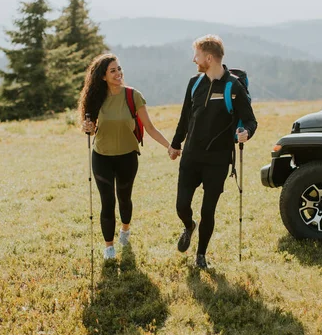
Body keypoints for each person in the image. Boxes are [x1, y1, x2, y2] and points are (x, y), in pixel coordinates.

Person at [168, 34, 258, 268]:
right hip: (191, 156)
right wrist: (176, 144)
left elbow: (250, 120)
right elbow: (185, 118)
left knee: (208, 210)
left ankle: (201, 256)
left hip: (218, 160)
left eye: (196, 55)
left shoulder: (233, 87)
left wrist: (246, 133)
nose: (193, 59)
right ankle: (189, 226)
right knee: (181, 206)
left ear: (209, 58)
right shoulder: (194, 83)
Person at [80, 53, 171, 259]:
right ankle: (109, 247)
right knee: (107, 201)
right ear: (103, 76)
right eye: (112, 70)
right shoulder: (95, 98)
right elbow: (91, 129)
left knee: (124, 198)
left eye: (119, 69)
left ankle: (125, 229)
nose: (118, 73)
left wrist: (170, 146)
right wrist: (88, 127)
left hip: (127, 156)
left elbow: (150, 127)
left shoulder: (133, 96)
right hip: (101, 157)